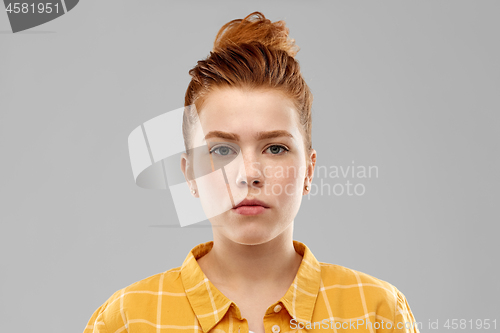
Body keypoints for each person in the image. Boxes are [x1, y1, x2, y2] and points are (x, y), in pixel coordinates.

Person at [83, 12, 420, 333]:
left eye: (275, 148)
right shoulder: (127, 320)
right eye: (222, 150)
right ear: (190, 175)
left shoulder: (378, 313)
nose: (249, 174)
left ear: (309, 170)